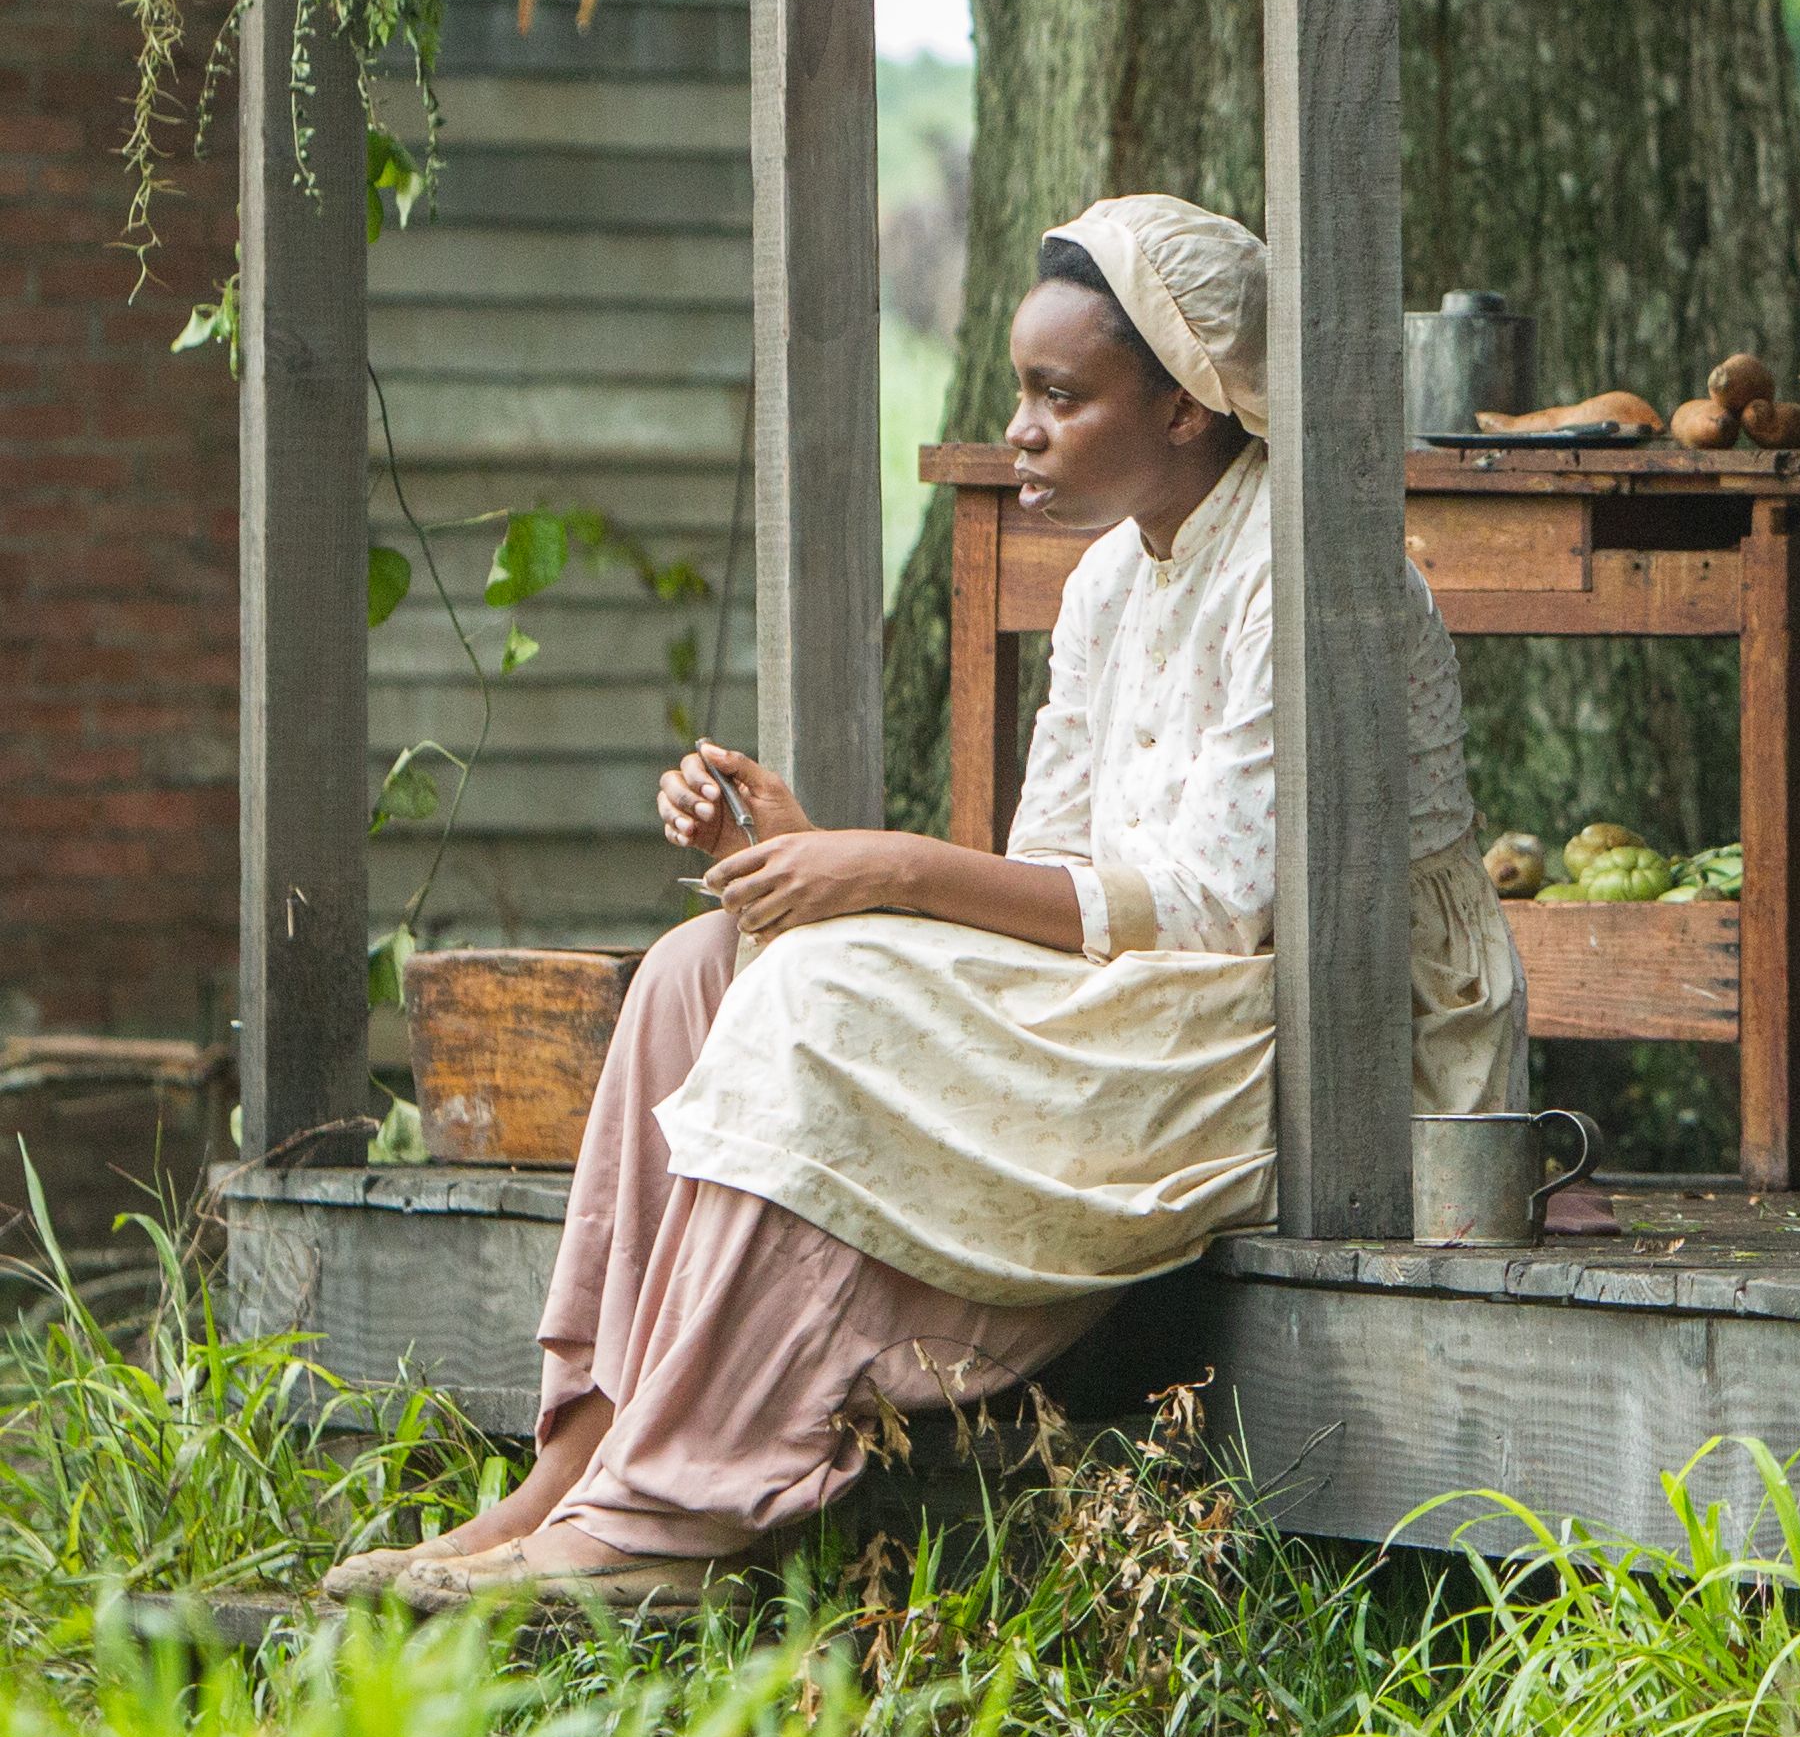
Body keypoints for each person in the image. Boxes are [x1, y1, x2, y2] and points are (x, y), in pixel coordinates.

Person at [328, 195, 1524, 1609]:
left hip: (1317, 1025)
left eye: (1057, 396)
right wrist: (808, 857)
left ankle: (678, 1515)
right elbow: (1056, 867)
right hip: (1149, 994)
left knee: (815, 987)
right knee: (703, 967)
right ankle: (581, 1460)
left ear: (1193, 406)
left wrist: (886, 873)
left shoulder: (1320, 582)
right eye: (1021, 391)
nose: (1018, 428)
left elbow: (1209, 906)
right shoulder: (1103, 588)